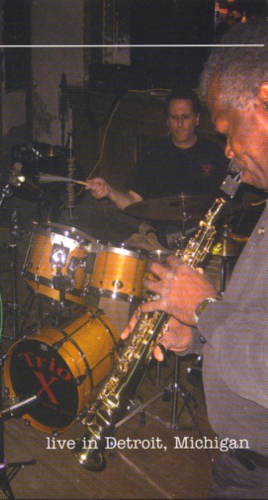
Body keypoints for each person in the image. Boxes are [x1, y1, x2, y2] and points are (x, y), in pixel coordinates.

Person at [126, 18, 268, 498]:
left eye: (228, 130)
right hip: (240, 459)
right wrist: (196, 334)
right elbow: (255, 325)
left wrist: (206, 307)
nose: (228, 151)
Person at [85, 89, 229, 247]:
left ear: (197, 119)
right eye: (174, 117)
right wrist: (109, 191)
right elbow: (133, 201)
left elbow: (228, 203)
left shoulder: (215, 154)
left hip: (203, 239)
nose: (179, 123)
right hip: (158, 238)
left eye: (185, 117)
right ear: (167, 121)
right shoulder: (153, 153)